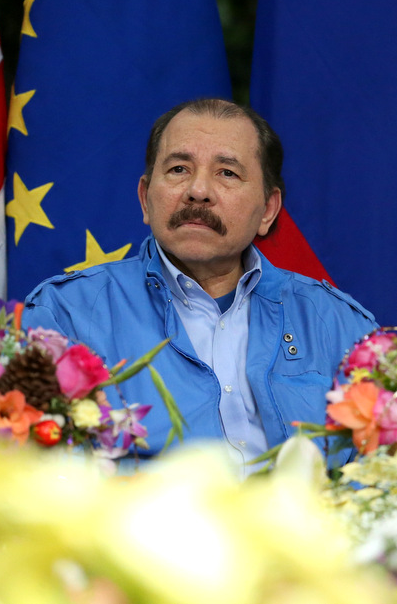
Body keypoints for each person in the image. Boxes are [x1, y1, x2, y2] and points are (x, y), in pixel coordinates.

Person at [24, 99, 377, 471]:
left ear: (268, 210)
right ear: (145, 199)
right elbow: (42, 475)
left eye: (227, 173)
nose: (198, 190)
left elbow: (383, 470)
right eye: (178, 169)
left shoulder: (340, 326)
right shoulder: (65, 315)